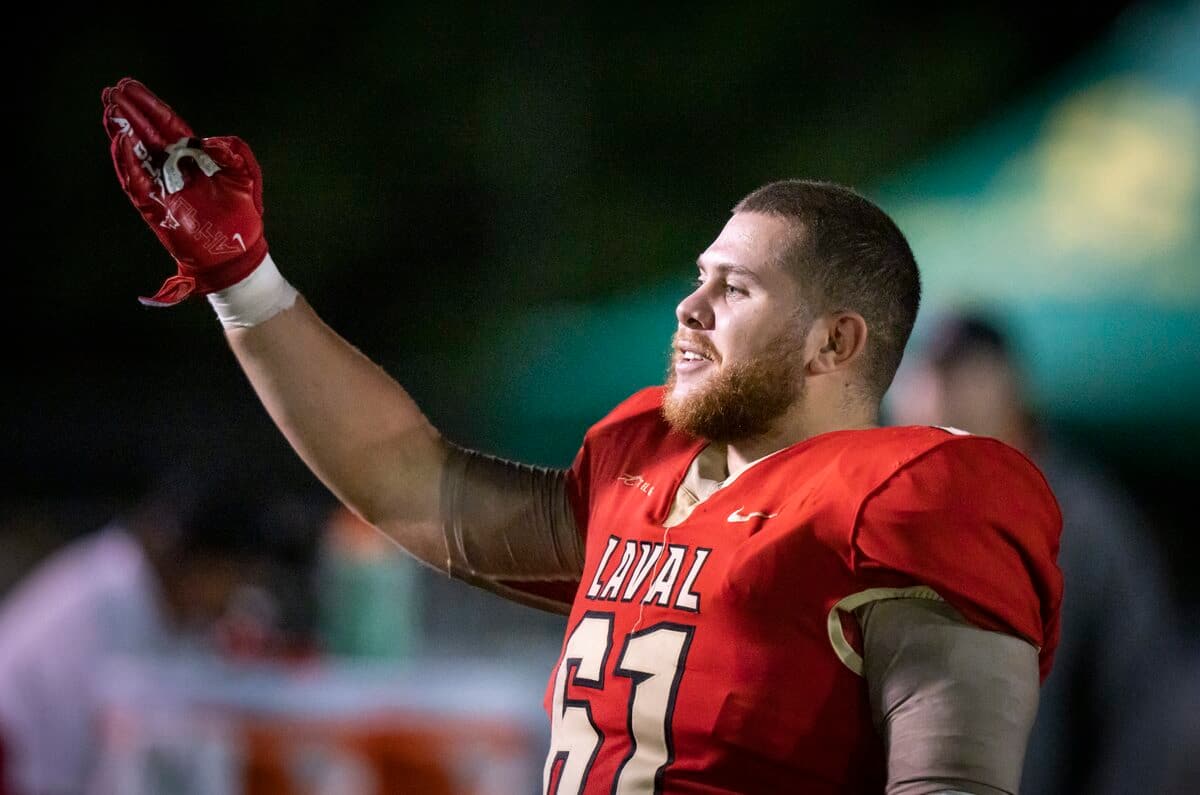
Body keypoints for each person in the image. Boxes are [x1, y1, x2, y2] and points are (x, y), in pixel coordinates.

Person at [101, 78, 1063, 795]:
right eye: (701, 276)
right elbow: (409, 483)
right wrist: (244, 279)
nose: (690, 307)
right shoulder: (646, 470)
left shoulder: (911, 499)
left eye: (736, 288)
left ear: (835, 342)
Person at [886, 312, 1178, 795]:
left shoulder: (1083, 521)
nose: (936, 393)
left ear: (1010, 387)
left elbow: (1144, 702)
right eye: (923, 376)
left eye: (959, 375)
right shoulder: (889, 515)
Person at [0, 468, 312, 795]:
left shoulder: (147, 594)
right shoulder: (95, 612)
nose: (235, 598)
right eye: (237, 579)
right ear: (201, 563)